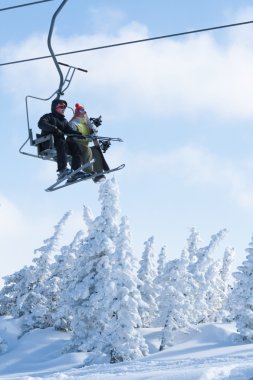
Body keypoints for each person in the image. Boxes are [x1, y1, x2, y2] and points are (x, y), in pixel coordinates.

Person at [38, 99, 86, 182]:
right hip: (48, 143)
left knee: (75, 146)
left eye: (64, 107)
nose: (63, 108)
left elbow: (69, 130)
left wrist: (78, 134)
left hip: (60, 144)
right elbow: (41, 124)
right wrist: (54, 129)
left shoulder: (64, 121)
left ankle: (76, 171)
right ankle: (62, 170)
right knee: (62, 142)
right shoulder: (49, 116)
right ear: (55, 108)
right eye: (61, 107)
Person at [69, 103, 110, 183]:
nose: (84, 113)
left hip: (83, 145)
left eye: (84, 112)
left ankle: (99, 174)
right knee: (87, 150)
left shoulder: (86, 125)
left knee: (95, 151)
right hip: (75, 145)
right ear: (77, 112)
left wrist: (93, 130)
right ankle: (88, 171)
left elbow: (93, 135)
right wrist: (86, 138)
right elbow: (72, 137)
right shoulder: (73, 123)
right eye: (81, 111)